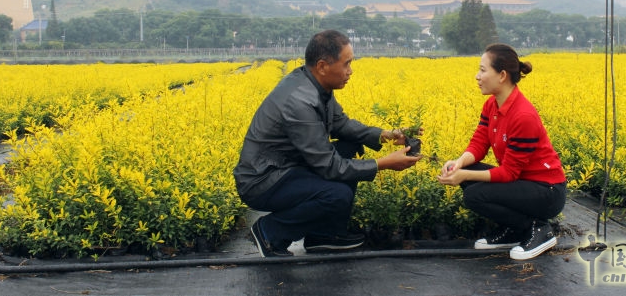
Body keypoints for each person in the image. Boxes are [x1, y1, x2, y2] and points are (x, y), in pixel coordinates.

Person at [233, 29, 421, 257]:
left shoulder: (316, 85)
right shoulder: (299, 102)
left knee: (351, 147)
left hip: (286, 167)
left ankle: (324, 235)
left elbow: (342, 124)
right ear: (322, 66)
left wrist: (387, 135)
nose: (350, 71)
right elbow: (329, 167)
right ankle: (270, 233)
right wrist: (383, 163)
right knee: (337, 194)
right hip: (263, 180)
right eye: (346, 64)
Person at [437, 44, 566, 260]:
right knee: (466, 172)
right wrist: (459, 164)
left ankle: (537, 229)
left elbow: (508, 174)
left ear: (502, 75)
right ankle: (514, 230)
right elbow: (478, 144)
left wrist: (464, 175)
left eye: (483, 70)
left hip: (546, 191)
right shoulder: (491, 105)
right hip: (522, 184)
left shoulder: (523, 115)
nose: (477, 76)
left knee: (474, 195)